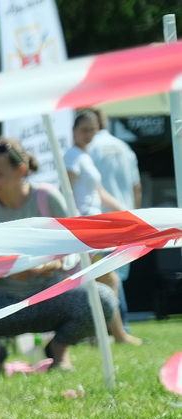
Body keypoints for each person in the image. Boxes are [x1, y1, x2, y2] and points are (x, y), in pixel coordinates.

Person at [0, 137, 117, 374]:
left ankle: (59, 351)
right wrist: (7, 270)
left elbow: (75, 252)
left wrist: (45, 266)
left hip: (49, 297)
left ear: (21, 170)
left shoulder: (47, 197)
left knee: (103, 300)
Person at [66, 109, 139, 344]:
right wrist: (77, 225)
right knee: (110, 280)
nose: (89, 135)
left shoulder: (84, 156)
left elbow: (100, 193)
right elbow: (66, 193)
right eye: (84, 130)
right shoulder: (72, 157)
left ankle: (103, 335)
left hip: (94, 230)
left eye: (93, 130)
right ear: (74, 131)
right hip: (85, 232)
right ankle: (115, 335)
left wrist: (128, 214)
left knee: (103, 281)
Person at [88, 107, 142, 327]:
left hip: (101, 220)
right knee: (116, 275)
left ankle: (119, 328)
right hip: (127, 217)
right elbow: (136, 187)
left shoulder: (88, 148)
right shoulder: (125, 147)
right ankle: (120, 328)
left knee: (109, 276)